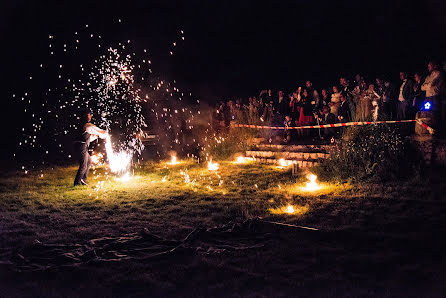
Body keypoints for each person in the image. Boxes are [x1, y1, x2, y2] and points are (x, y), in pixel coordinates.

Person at [74, 110, 108, 186]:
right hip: (81, 147)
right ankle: (77, 183)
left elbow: (89, 138)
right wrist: (105, 133)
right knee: (83, 165)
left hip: (81, 146)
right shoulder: (88, 126)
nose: (90, 116)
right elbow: (100, 132)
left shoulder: (85, 126)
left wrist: (97, 136)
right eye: (89, 115)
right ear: (86, 117)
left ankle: (83, 179)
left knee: (89, 161)